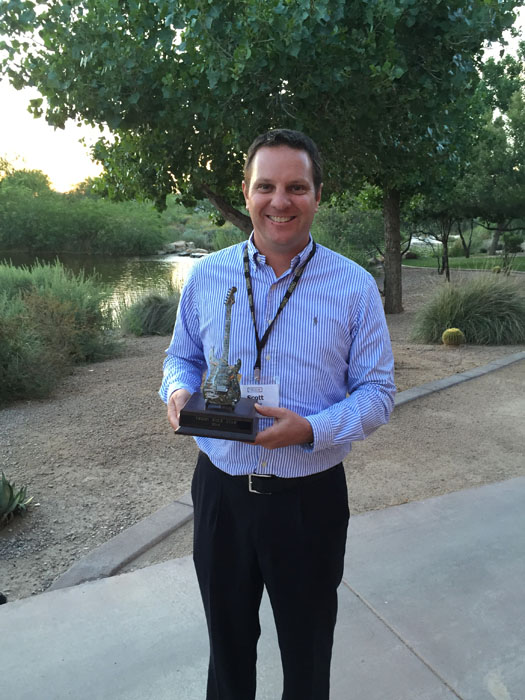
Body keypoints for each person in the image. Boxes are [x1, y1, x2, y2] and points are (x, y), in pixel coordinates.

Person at [160, 129, 395, 700]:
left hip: (309, 500)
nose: (279, 201)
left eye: (296, 186)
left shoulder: (354, 287)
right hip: (222, 496)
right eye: (266, 186)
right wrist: (175, 392)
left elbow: (378, 391)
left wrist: (314, 428)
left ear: (317, 194)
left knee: (308, 657)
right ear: (246, 193)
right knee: (228, 654)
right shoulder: (207, 277)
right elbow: (180, 357)